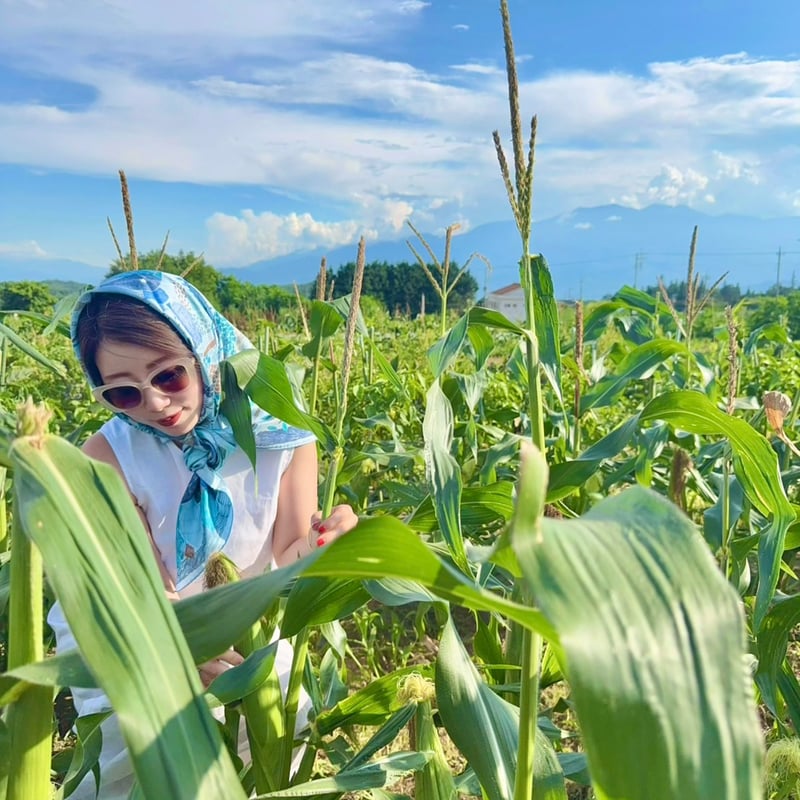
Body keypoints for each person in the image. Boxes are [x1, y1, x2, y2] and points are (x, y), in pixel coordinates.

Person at [47, 269, 358, 799]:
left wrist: (330, 539)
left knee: (269, 746)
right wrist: (181, 649)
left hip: (250, 627)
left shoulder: (282, 436)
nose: (157, 404)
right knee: (144, 767)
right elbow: (134, 580)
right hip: (142, 625)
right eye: (123, 393)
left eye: (168, 376)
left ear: (203, 348)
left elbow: (289, 551)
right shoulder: (108, 455)